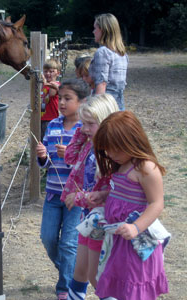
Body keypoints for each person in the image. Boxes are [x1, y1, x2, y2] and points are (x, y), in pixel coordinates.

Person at [93, 111, 169, 300]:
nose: (110, 154)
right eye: (107, 150)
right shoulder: (121, 165)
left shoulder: (145, 168)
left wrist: (136, 227)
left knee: (134, 288)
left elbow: (156, 203)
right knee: (122, 287)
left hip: (136, 244)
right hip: (120, 241)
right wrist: (104, 195)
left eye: (115, 149)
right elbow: (122, 193)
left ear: (131, 140)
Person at [60, 94, 119, 300]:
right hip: (89, 215)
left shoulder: (110, 154)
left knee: (95, 275)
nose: (85, 128)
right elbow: (69, 156)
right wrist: (81, 132)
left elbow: (109, 193)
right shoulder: (89, 143)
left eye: (90, 124)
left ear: (105, 123)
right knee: (81, 268)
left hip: (101, 217)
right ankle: (75, 295)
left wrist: (79, 198)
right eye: (83, 123)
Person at [36, 78, 91, 300]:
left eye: (68, 99)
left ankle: (65, 287)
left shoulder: (85, 130)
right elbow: (48, 163)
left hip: (75, 197)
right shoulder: (53, 125)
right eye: (61, 98)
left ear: (82, 102)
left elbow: (88, 165)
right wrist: (43, 157)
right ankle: (73, 272)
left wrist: (69, 155)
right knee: (48, 238)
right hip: (52, 194)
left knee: (69, 243)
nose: (62, 103)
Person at [89, 13, 128, 110]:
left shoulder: (103, 52)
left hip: (106, 103)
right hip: (119, 102)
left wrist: (97, 108)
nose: (93, 32)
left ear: (103, 30)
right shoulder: (122, 54)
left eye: (95, 28)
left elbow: (102, 83)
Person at [41, 59, 61, 140]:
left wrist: (45, 83)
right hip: (42, 117)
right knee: (41, 138)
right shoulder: (44, 85)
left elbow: (52, 93)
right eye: (45, 71)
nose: (48, 74)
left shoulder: (56, 84)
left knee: (48, 139)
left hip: (50, 118)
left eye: (51, 71)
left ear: (58, 73)